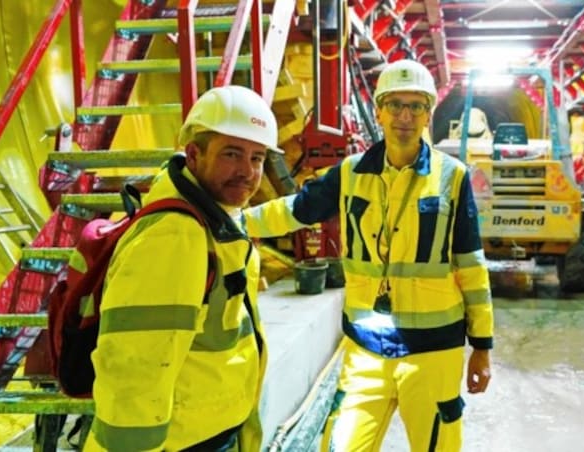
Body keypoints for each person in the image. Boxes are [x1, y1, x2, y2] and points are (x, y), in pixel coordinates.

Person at [245, 58, 494, 451]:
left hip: (433, 354)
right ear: (378, 110)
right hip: (366, 353)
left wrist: (482, 346)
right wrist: (238, 224)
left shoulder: (452, 177)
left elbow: (471, 266)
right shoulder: (350, 173)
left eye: (416, 106)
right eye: (395, 104)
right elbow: (295, 210)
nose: (405, 116)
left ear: (429, 114)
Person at [84, 85, 270, 451]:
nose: (247, 172)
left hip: (209, 433)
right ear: (193, 154)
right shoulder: (175, 236)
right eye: (232, 154)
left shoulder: (215, 222)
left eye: (258, 158)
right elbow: (135, 374)